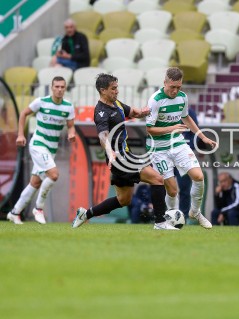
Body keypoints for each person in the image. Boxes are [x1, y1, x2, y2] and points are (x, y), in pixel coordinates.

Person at [72, 73, 170, 229]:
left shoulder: (116, 104)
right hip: (119, 158)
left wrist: (149, 110)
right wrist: (110, 152)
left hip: (124, 156)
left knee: (124, 200)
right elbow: (103, 136)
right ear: (103, 90)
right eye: (113, 88)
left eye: (117, 87)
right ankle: (160, 222)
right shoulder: (101, 112)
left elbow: (134, 113)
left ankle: (85, 214)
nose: (117, 91)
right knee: (157, 179)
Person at [145, 67, 216, 229]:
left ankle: (195, 212)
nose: (175, 91)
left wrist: (203, 137)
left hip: (178, 143)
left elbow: (186, 118)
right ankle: (170, 217)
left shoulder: (182, 98)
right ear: (165, 83)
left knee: (198, 176)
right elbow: (149, 129)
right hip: (158, 148)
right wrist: (171, 128)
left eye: (179, 87)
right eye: (172, 87)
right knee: (172, 190)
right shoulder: (155, 100)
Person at [7, 76, 75, 225]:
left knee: (35, 183)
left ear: (65, 88)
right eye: (56, 86)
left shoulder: (68, 106)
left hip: (51, 148)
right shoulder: (41, 102)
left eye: (62, 87)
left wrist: (71, 133)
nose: (59, 89)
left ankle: (15, 212)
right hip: (38, 143)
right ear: (52, 88)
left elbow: (70, 125)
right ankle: (39, 208)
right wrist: (20, 134)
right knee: (54, 174)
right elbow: (24, 113)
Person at [173, 107, 200, 219]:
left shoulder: (189, 112)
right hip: (165, 154)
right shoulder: (162, 109)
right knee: (161, 185)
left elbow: (196, 132)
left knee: (184, 187)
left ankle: (184, 217)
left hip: (182, 158)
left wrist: (189, 148)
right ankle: (161, 214)